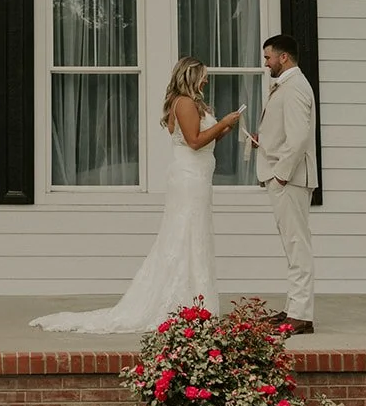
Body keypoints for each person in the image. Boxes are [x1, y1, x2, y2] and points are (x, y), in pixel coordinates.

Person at [30, 57, 240, 333]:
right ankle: (185, 301)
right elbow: (194, 141)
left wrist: (224, 129)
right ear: (191, 76)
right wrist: (222, 121)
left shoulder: (194, 103)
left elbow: (205, 142)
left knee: (194, 235)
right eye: (203, 75)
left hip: (198, 177)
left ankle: (196, 299)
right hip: (189, 179)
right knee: (185, 234)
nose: (206, 80)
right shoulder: (184, 102)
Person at [246, 34, 317, 335]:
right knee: (291, 245)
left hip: (290, 179)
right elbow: (286, 132)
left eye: (268, 57)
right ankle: (294, 308)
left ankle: (302, 315)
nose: (266, 63)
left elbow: (300, 136)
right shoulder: (287, 86)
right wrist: (265, 142)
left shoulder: (296, 87)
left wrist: (282, 174)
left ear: (283, 57)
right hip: (282, 175)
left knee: (297, 245)